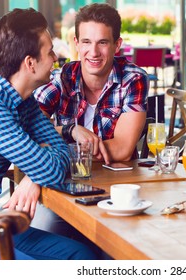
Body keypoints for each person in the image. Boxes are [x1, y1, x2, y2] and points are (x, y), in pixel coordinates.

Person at [0, 8, 98, 259]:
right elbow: (53, 169)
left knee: (81, 255)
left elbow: (61, 154)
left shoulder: (22, 100)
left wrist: (34, 176)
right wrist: (41, 166)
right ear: (30, 63)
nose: (55, 57)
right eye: (50, 51)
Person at [34, 3, 149, 163]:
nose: (94, 52)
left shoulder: (132, 79)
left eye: (102, 42)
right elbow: (30, 131)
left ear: (117, 45)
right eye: (86, 42)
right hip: (68, 179)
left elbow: (123, 149)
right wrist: (70, 131)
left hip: (117, 180)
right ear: (77, 44)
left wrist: (55, 152)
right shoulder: (62, 78)